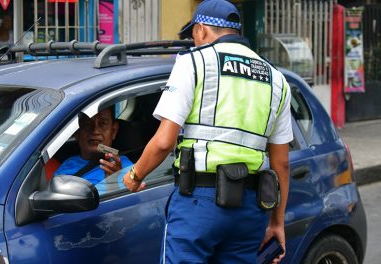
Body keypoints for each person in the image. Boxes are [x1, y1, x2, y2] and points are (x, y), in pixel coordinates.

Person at [123, 0, 292, 263]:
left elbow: (164, 141)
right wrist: (277, 222)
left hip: (199, 203)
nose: (193, 41)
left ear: (201, 29)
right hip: (251, 208)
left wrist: (135, 174)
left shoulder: (194, 63)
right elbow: (281, 163)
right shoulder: (276, 78)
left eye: (192, 35)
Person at [54, 107, 133, 186]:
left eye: (103, 123)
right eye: (88, 124)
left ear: (113, 131)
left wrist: (115, 181)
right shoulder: (68, 164)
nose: (95, 131)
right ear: (77, 132)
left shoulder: (126, 167)